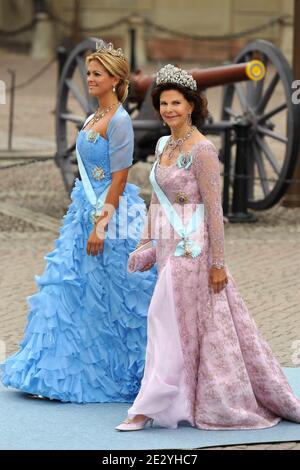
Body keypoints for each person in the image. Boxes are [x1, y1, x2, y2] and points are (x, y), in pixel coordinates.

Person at [116, 64, 300, 431]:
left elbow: (214, 209)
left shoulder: (202, 150)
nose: (168, 110)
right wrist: (144, 244)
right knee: (184, 325)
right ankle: (178, 399)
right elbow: (157, 198)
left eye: (176, 103)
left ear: (192, 106)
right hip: (168, 243)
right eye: (163, 103)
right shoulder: (163, 143)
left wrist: (218, 263)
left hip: (193, 247)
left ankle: (146, 407)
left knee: (162, 318)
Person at [1, 40, 156, 403]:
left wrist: (102, 225)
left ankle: (127, 370)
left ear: (115, 80)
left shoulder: (119, 122)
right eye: (88, 73)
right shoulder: (92, 118)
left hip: (110, 216)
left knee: (117, 297)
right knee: (76, 291)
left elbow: (120, 178)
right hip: (82, 212)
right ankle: (66, 366)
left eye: (96, 74)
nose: (89, 79)